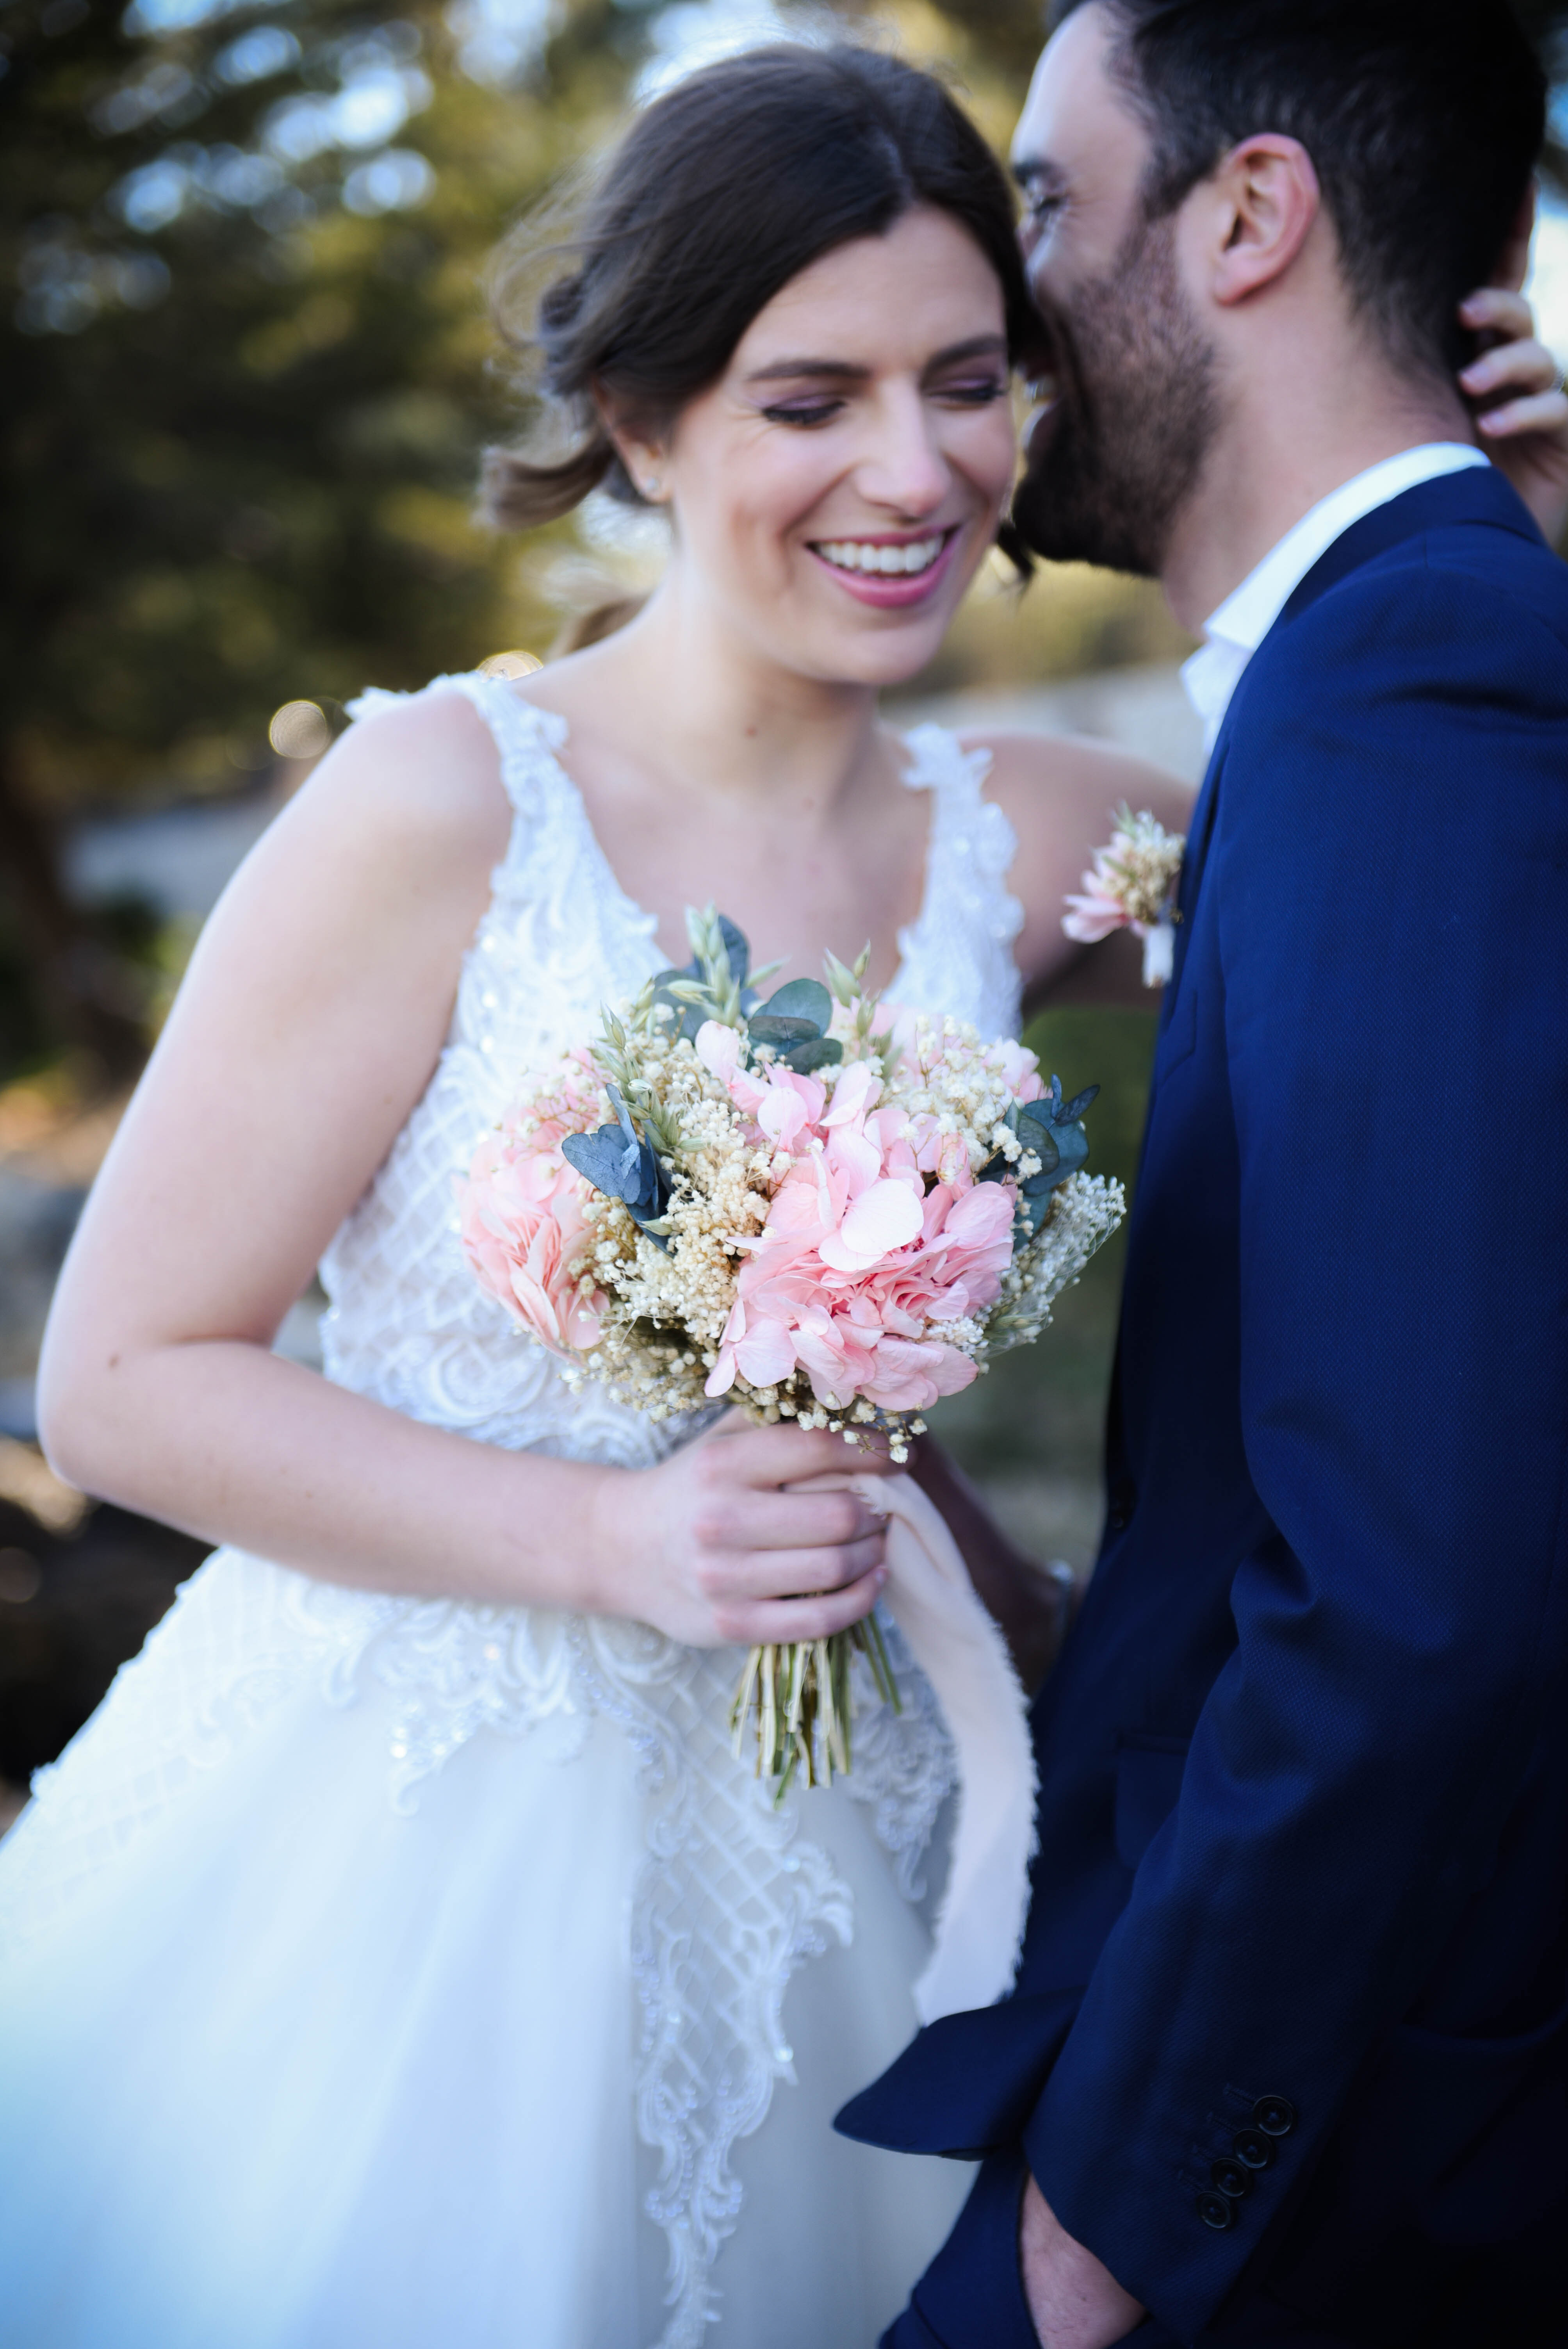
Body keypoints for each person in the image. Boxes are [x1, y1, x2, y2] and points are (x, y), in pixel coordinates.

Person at [0, 36, 1556, 2349]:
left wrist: (1528, 545)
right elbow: (120, 1382)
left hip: (866, 1839)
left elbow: (1446, 986)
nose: (915, 472)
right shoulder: (442, 805)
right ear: (640, 420)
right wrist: (617, 1541)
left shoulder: (1053, 831)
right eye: (807, 398)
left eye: (965, 380)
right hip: (413, 1862)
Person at [837, 6, 1568, 2348]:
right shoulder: (1405, 656)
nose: (995, 284)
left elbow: (1424, 1566)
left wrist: (1122, 2202)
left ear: (1250, 217)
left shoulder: (1416, 679)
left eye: (1049, 202)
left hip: (1320, 2146)